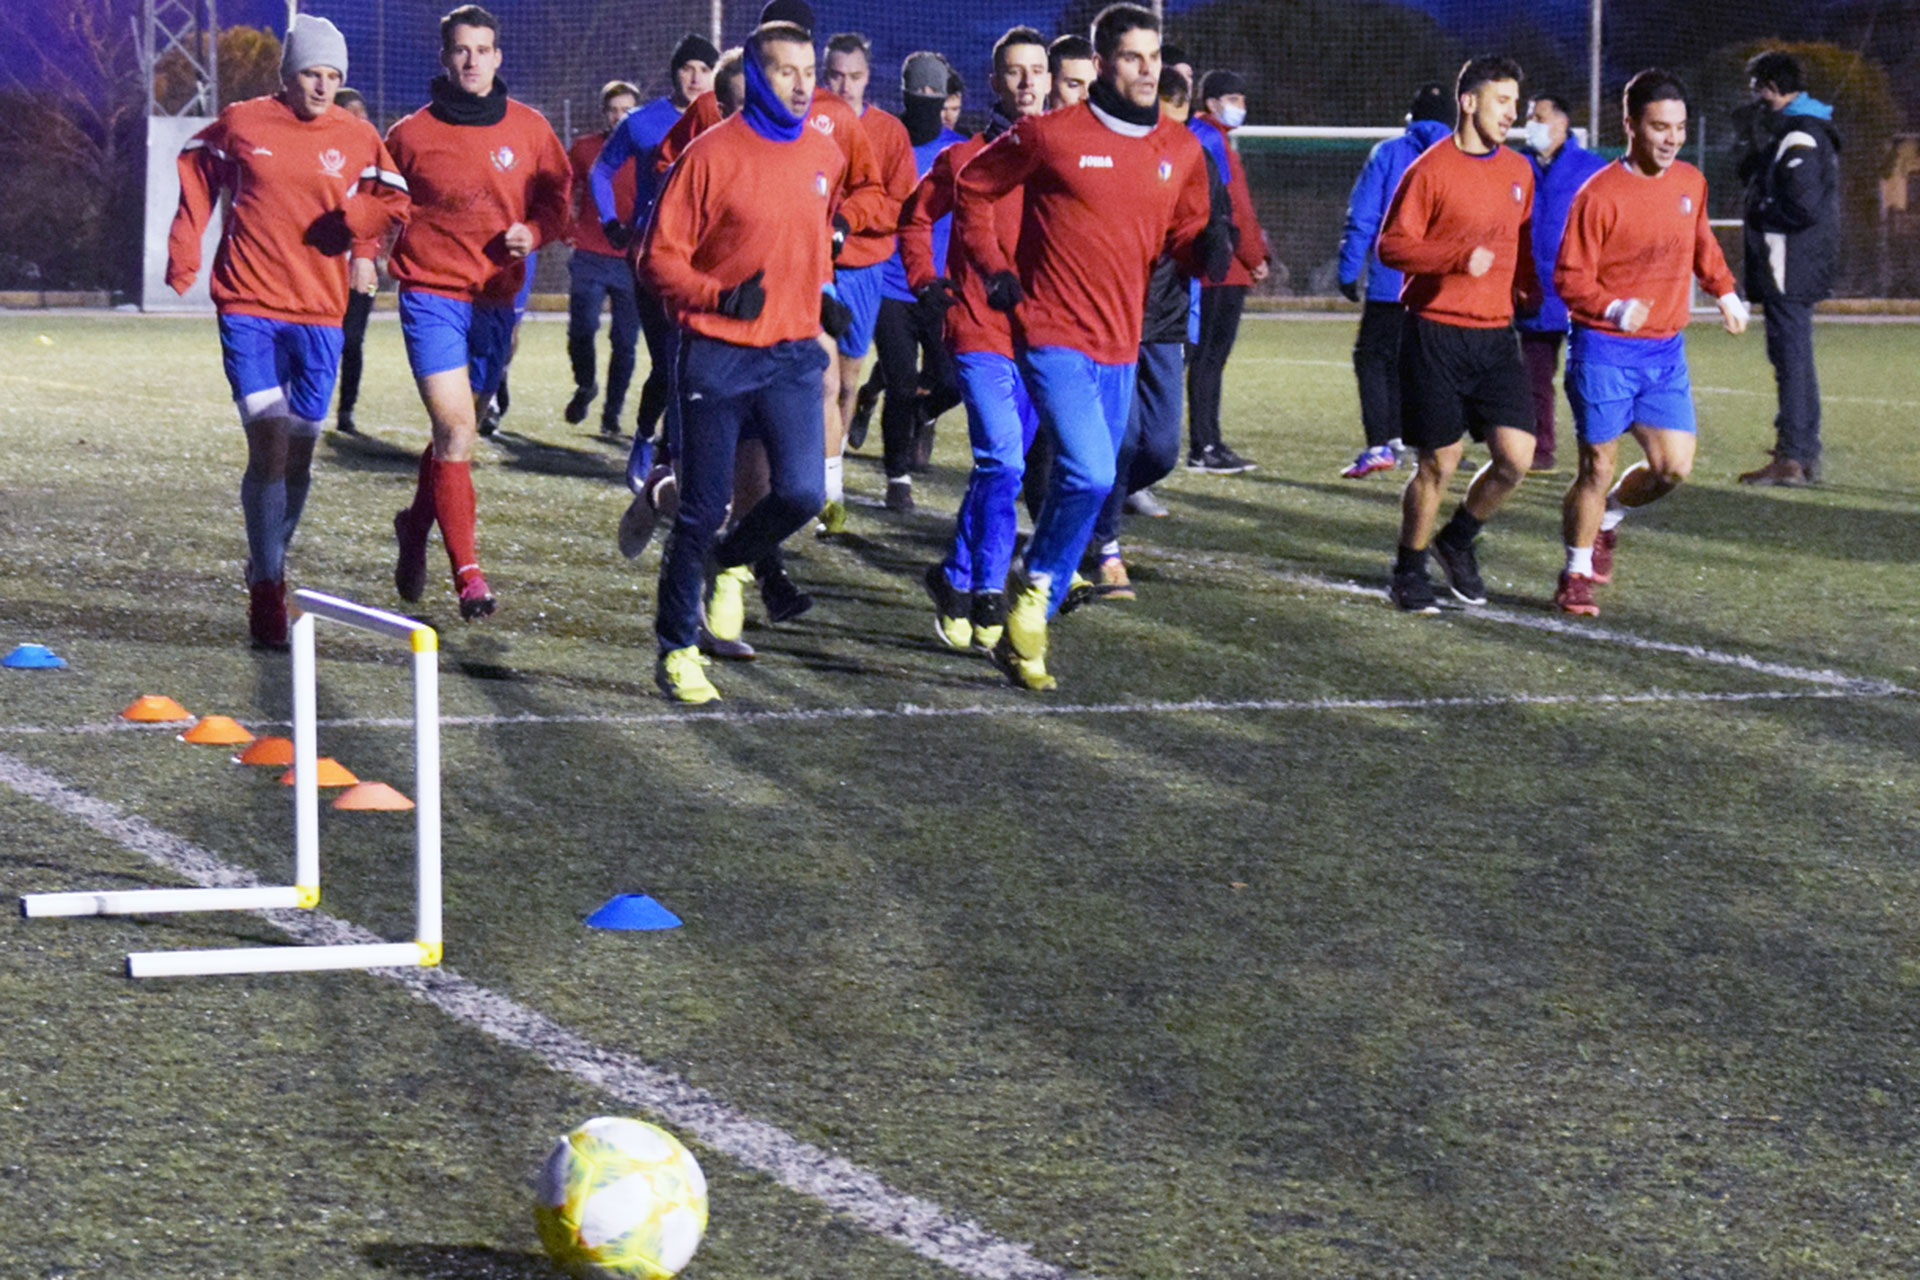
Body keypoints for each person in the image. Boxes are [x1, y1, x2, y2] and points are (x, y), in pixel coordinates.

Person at [954, 3, 1229, 690]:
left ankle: (1028, 620)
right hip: (1051, 333)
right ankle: (1035, 584)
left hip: (1122, 341)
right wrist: (994, 269)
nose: (1147, 69)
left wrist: (1209, 250)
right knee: (1094, 472)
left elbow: (1186, 237)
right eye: (1133, 57)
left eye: (1154, 57)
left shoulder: (1181, 148)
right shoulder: (1050, 135)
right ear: (1103, 64)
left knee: (1098, 478)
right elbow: (973, 189)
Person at [165, 16, 408, 649]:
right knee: (269, 444)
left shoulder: (357, 135)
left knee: (298, 457)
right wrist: (184, 248)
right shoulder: (245, 121)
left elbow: (395, 196)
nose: (322, 86)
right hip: (248, 305)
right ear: (287, 74)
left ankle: (267, 554)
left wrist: (358, 231)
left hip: (321, 313)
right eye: (310, 73)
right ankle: (268, 588)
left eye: (333, 76)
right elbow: (195, 164)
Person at [638, 19, 843, 703]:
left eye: (809, 70)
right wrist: (718, 295)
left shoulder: (825, 155)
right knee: (700, 509)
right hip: (717, 355)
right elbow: (656, 260)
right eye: (786, 70)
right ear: (756, 76)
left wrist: (825, 297)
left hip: (790, 355)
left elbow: (806, 241)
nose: (802, 83)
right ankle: (675, 650)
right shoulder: (709, 154)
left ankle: (731, 563)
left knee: (803, 495)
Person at [384, 4, 570, 620]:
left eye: (483, 49)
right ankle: (469, 575)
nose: (472, 60)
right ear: (445, 57)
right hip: (431, 295)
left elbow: (558, 203)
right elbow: (377, 202)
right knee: (458, 428)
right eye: (461, 50)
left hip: (496, 299)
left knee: (452, 434)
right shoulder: (409, 136)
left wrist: (536, 232)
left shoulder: (531, 129)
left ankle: (415, 526)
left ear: (497, 56)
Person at [1552, 70, 1748, 616]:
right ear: (1631, 125)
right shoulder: (1598, 195)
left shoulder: (1690, 181)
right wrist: (1614, 307)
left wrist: (1726, 292)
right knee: (1596, 465)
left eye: (1680, 128)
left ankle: (1609, 518)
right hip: (1604, 349)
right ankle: (1574, 573)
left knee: (1672, 467)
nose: (1671, 139)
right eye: (1660, 127)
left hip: (1664, 351)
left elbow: (1700, 241)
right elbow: (1569, 278)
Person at [1375, 54, 1540, 614]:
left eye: (1516, 103)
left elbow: (1518, 243)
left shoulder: (1519, 171)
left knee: (1517, 458)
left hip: (1495, 338)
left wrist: (1529, 289)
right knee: (1438, 464)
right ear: (1468, 102)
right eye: (1502, 101)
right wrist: (1455, 258)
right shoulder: (1430, 169)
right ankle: (1408, 569)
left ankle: (1459, 538)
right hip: (1435, 334)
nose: (1511, 113)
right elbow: (1392, 246)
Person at [903, 24, 1049, 653]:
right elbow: (914, 217)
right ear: (994, 81)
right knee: (1004, 461)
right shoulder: (963, 159)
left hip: (1046, 337)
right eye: (1014, 71)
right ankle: (988, 589)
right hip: (978, 330)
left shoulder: (1065, 158)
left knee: (1003, 471)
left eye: (1036, 70)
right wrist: (926, 280)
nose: (1026, 82)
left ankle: (953, 574)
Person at [1087, 67, 1224, 596]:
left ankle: (1085, 508)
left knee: (1161, 450)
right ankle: (1106, 546)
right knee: (1119, 442)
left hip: (1164, 320)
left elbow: (1216, 227)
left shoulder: (1194, 156)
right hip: (1110, 317)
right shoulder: (1113, 151)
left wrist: (1219, 247)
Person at [591, 34, 718, 448]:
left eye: (704, 69)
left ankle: (676, 452)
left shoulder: (726, 123)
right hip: (653, 253)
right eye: (688, 68)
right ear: (674, 72)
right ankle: (647, 437)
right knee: (668, 362)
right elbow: (601, 171)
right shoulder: (641, 121)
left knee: (697, 363)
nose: (696, 77)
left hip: (707, 256)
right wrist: (611, 221)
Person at [820, 32, 918, 511]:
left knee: (847, 380)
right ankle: (816, 481)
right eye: (835, 74)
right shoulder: (809, 121)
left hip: (863, 267)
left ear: (868, 77)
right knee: (814, 377)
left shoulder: (889, 132)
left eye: (854, 75)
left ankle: (830, 475)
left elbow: (899, 204)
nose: (844, 84)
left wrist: (850, 223)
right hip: (810, 264)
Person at [1334, 83, 1451, 479]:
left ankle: (1380, 443)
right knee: (1425, 363)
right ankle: (1427, 443)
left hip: (1391, 281)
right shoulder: (1458, 158)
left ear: (1411, 117)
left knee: (1372, 358)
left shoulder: (1388, 153)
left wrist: (1349, 270)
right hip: (1440, 285)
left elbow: (1363, 215)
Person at [1735, 50, 1841, 488]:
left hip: (1789, 265)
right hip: (1793, 264)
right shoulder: (1796, 130)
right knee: (1794, 358)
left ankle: (1793, 456)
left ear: (1772, 87)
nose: (1756, 97)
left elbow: (1799, 205)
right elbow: (1757, 175)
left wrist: (1759, 208)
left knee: (1791, 359)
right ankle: (1801, 451)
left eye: (1758, 87)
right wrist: (1752, 148)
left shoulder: (1802, 134)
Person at [870, 51, 966, 512]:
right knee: (902, 384)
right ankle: (898, 478)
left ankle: (919, 418)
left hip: (940, 287)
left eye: (935, 92)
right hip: (889, 284)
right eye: (918, 91)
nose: (925, 99)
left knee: (952, 382)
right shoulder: (886, 140)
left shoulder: (962, 152)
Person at [1514, 92, 1608, 472]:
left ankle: (1597, 451)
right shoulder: (1515, 165)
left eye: (1539, 116)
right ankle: (1540, 451)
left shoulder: (1593, 168)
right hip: (1533, 292)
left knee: (1589, 381)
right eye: (1529, 116)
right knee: (1534, 380)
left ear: (1563, 123)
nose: (1530, 123)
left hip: (1580, 293)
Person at [1185, 69, 1270, 474]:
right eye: (1235, 98)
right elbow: (1234, 207)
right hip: (1222, 266)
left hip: (1209, 262)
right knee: (1209, 360)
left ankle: (1207, 443)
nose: (1242, 107)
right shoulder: (1212, 140)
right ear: (1214, 101)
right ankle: (1205, 446)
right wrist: (1255, 257)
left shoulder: (1201, 135)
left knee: (1204, 360)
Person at [564, 80, 641, 437]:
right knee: (582, 327)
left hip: (632, 260)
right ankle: (586, 384)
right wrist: (567, 225)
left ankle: (612, 413)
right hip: (590, 253)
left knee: (625, 342)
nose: (619, 116)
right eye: (613, 109)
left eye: (626, 110)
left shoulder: (649, 150)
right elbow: (564, 189)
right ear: (603, 113)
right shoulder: (584, 149)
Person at [330, 86, 381, 437]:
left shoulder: (375, 160)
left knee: (352, 340)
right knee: (319, 340)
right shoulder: (324, 160)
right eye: (351, 112)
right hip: (324, 267)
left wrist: (367, 255)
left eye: (362, 112)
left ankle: (346, 409)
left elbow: (381, 210)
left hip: (363, 266)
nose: (360, 119)